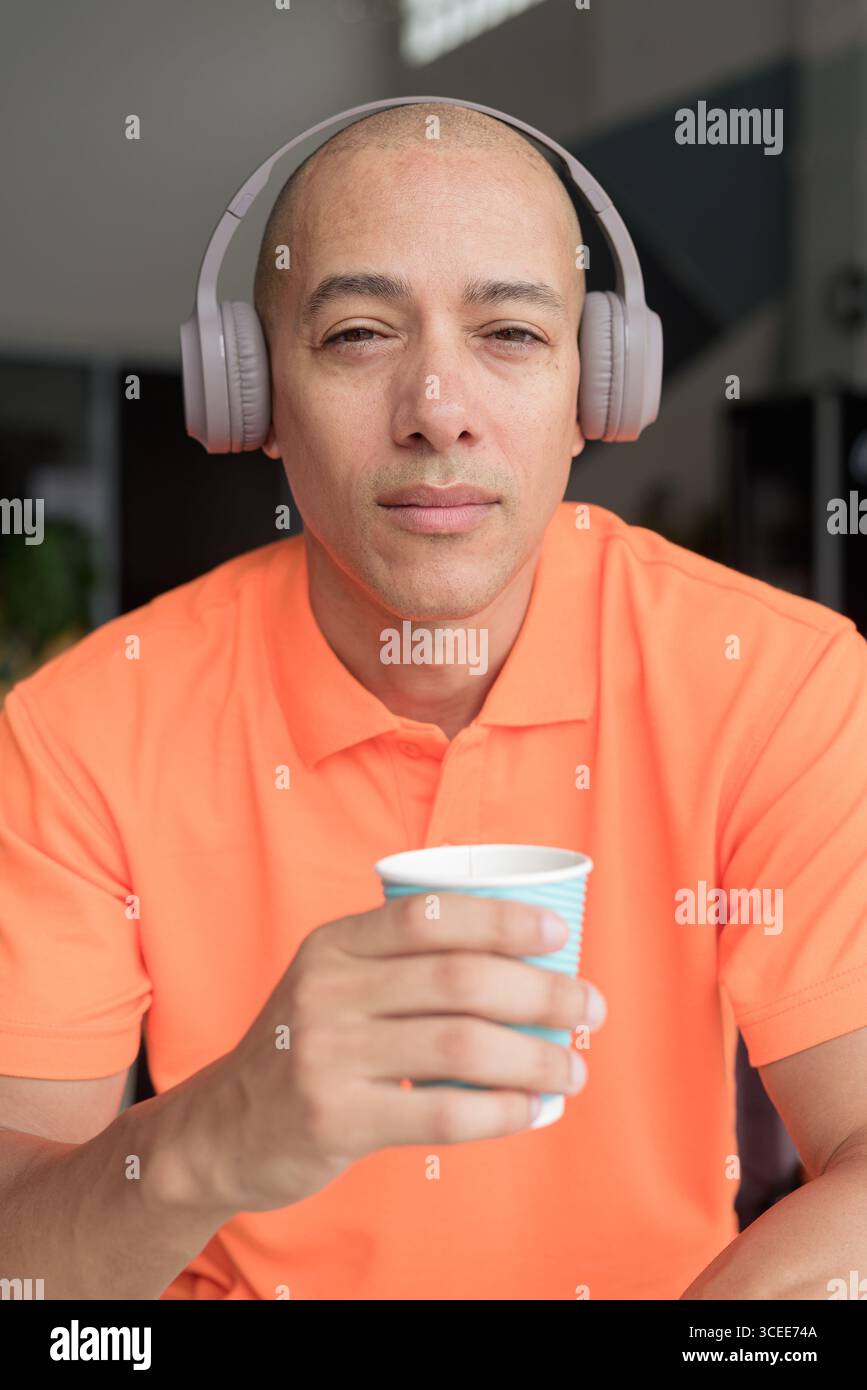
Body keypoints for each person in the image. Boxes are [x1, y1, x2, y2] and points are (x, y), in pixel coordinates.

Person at [1, 103, 865, 1301]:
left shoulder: (779, 681)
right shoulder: (79, 734)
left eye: (511, 330)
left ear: (592, 388)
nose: (437, 409)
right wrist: (212, 1136)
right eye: (358, 333)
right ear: (250, 396)